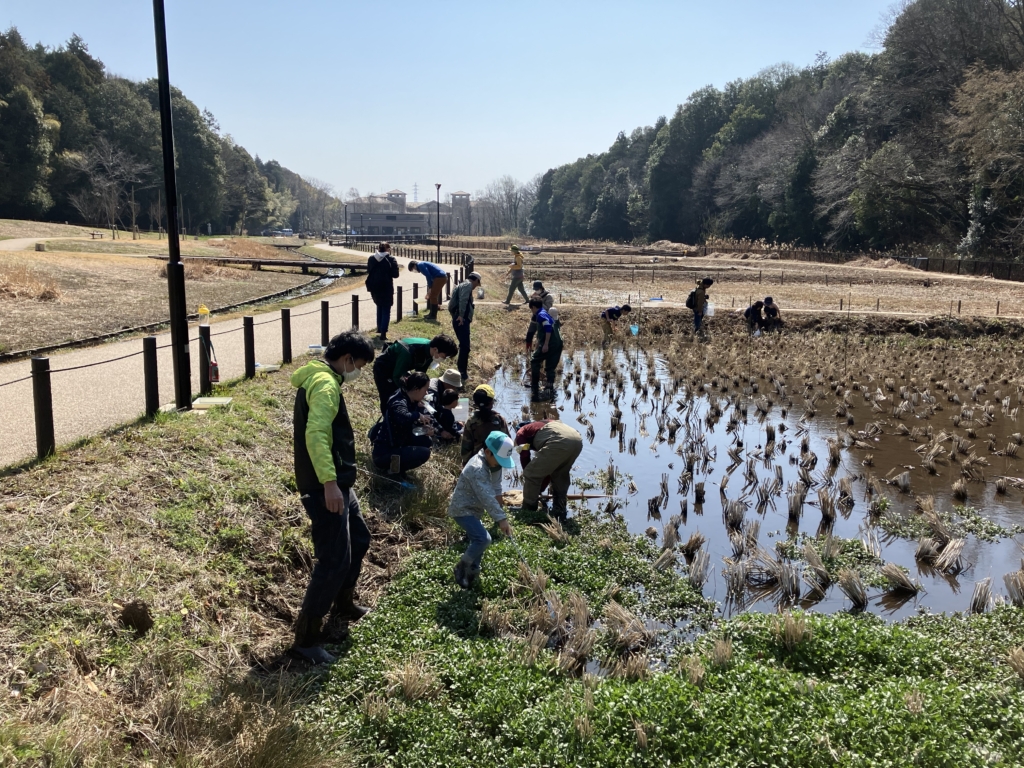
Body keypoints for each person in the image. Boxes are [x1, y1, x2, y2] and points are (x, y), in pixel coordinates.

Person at [290, 331, 376, 665]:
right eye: (360, 365)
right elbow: (316, 434)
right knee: (333, 559)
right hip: (325, 486)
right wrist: (328, 483)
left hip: (339, 483)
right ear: (347, 360)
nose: (359, 372)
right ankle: (307, 638)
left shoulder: (322, 377)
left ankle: (344, 603)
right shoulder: (326, 385)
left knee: (360, 537)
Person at [448, 431, 515, 589]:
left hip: (474, 510)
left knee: (477, 540)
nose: (499, 464)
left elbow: (496, 488)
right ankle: (461, 568)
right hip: (462, 510)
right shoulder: (477, 468)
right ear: (487, 452)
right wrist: (501, 518)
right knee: (484, 539)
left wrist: (500, 512)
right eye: (499, 460)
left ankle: (472, 572)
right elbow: (486, 496)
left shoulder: (493, 464)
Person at [515, 419, 584, 520]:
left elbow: (525, 457)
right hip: (577, 440)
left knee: (531, 473)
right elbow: (547, 468)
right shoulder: (546, 424)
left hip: (559, 441)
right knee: (560, 474)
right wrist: (540, 485)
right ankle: (560, 509)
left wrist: (535, 484)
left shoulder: (521, 432)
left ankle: (528, 511)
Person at [372, 334, 458, 412]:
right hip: (384, 368)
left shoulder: (430, 352)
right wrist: (408, 393)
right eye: (444, 356)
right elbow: (397, 376)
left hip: (401, 368)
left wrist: (423, 389)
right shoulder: (408, 351)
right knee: (389, 397)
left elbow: (421, 373)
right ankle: (387, 423)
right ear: (436, 350)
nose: (443, 359)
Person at [372, 371, 434, 475]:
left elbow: (408, 425)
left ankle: (396, 467)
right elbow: (403, 417)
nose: (426, 393)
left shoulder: (409, 398)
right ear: (416, 389)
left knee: (426, 441)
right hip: (385, 453)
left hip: (399, 441)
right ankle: (393, 472)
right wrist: (418, 415)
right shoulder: (399, 402)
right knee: (424, 453)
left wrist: (425, 428)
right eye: (425, 389)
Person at [461, 384, 510, 466]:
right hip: (495, 463)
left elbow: (466, 448)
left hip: (476, 464)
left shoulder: (471, 422)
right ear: (491, 403)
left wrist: (466, 465)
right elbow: (507, 444)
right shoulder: (499, 420)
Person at [525, 297, 563, 402]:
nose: (532, 311)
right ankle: (549, 389)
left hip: (551, 343)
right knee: (550, 367)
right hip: (557, 343)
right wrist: (540, 343)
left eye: (531, 309)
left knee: (534, 360)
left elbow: (548, 329)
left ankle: (535, 386)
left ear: (533, 307)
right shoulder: (544, 312)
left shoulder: (541, 315)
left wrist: (545, 344)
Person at [448, 271, 482, 383]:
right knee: (465, 347)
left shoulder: (463, 284)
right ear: (476, 280)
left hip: (458, 318)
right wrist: (461, 316)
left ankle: (462, 372)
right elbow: (463, 300)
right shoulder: (467, 285)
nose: (477, 286)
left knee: (464, 346)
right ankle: (462, 374)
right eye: (478, 283)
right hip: (460, 320)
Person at [365, 241, 399, 343]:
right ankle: (383, 333)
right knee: (386, 309)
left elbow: (368, 270)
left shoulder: (371, 258)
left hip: (374, 287)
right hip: (386, 287)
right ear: (388, 249)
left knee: (379, 306)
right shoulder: (391, 259)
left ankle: (379, 328)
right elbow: (395, 274)